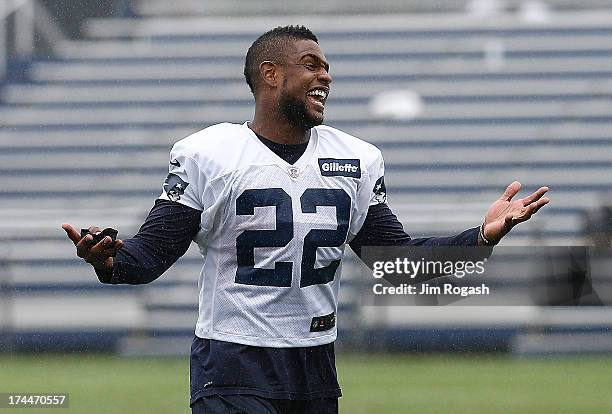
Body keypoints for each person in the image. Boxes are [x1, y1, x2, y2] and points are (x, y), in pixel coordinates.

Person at [62, 25, 550, 414]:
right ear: (271, 74)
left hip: (315, 362)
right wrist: (108, 260)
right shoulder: (207, 153)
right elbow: (145, 260)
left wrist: (481, 237)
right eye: (311, 65)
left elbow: (396, 261)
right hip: (234, 360)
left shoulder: (356, 158)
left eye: (328, 68)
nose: (326, 77)